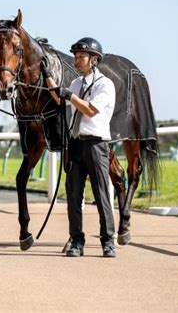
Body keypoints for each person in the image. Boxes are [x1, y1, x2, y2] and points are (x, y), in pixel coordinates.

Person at [45, 37, 117, 258]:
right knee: (74, 194)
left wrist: (69, 95)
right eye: (75, 56)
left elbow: (90, 110)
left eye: (80, 57)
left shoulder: (105, 84)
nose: (76, 60)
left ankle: (108, 240)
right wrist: (46, 75)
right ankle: (77, 240)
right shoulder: (76, 84)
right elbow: (59, 98)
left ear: (94, 59)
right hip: (75, 144)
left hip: (96, 144)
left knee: (101, 192)